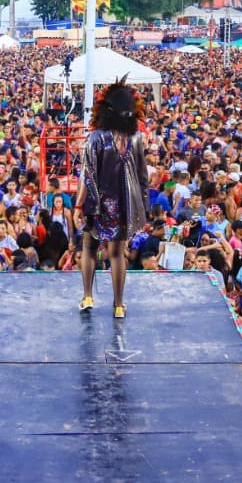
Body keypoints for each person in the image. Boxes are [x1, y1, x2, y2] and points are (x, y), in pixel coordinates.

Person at [75, 80, 147, 318]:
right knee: (117, 254)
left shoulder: (95, 137)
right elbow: (142, 176)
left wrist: (78, 205)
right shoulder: (136, 138)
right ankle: (118, 305)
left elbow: (87, 174)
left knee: (89, 248)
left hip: (96, 202)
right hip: (125, 206)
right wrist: (141, 208)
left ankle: (87, 296)